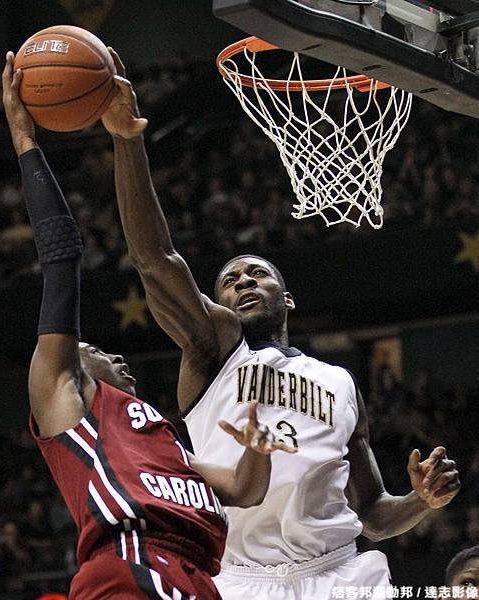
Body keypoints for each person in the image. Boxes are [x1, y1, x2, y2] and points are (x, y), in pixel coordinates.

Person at [100, 48, 462, 599]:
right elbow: (155, 260)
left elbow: (372, 516)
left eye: (258, 274)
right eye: (230, 279)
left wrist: (421, 501)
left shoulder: (341, 384)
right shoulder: (214, 350)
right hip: (243, 580)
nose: (244, 281)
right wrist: (127, 140)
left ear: (287, 299)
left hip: (341, 573)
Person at [2, 52, 295, 600]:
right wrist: (24, 138)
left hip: (200, 579)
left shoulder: (165, 442)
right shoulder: (68, 401)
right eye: (90, 351)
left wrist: (257, 444)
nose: (111, 356)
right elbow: (62, 256)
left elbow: (243, 489)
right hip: (130, 567)